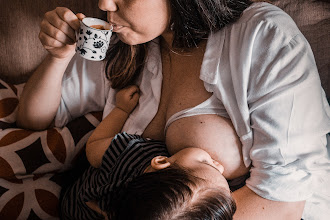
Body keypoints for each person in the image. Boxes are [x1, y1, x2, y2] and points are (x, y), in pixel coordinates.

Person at [16, 0, 330, 219]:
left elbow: (284, 202)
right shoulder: (125, 47)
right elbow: (35, 117)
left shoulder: (261, 36)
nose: (105, 5)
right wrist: (59, 57)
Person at [60, 85, 238, 220]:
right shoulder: (128, 155)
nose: (220, 166)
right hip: (79, 203)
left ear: (161, 162)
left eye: (207, 163)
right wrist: (121, 110)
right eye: (207, 163)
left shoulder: (130, 154)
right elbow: (92, 152)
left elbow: (94, 148)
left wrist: (121, 109)